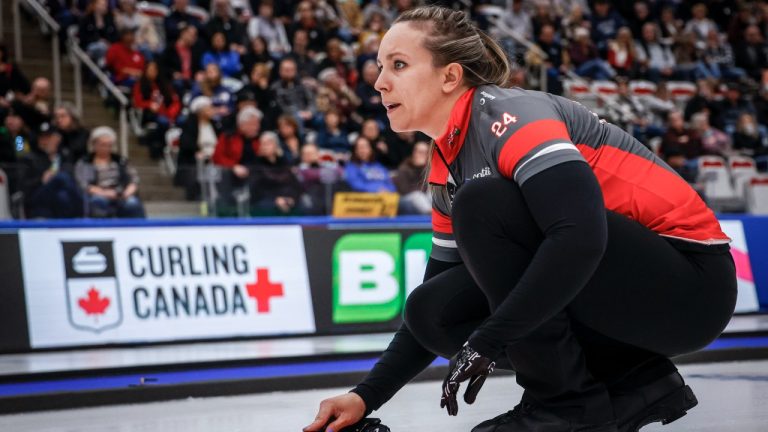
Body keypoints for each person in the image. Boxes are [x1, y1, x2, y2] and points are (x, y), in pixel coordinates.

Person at [305, 6, 736, 432]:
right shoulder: (445, 168)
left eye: (398, 65)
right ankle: (631, 381)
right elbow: (438, 294)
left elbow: (580, 237)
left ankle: (568, 405)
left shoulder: (511, 116)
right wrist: (366, 394)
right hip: (627, 292)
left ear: (450, 76)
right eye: (380, 66)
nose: (379, 83)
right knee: (431, 310)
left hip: (693, 284)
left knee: (484, 202)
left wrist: (489, 340)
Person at [75, 126, 145, 218]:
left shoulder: (121, 161)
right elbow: (84, 184)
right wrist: (105, 193)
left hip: (121, 194)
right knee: (98, 202)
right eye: (102, 144)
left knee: (132, 203)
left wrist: (127, 192)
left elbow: (134, 179)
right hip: (98, 194)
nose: (106, 148)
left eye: (109, 145)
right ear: (94, 144)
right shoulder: (85, 162)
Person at [21, 122, 83, 218]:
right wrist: (41, 179)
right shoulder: (29, 158)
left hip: (60, 197)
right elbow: (24, 185)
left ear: (57, 139)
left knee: (62, 195)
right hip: (38, 196)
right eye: (42, 138)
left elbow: (72, 177)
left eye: (49, 137)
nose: (45, 141)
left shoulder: (64, 156)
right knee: (61, 177)